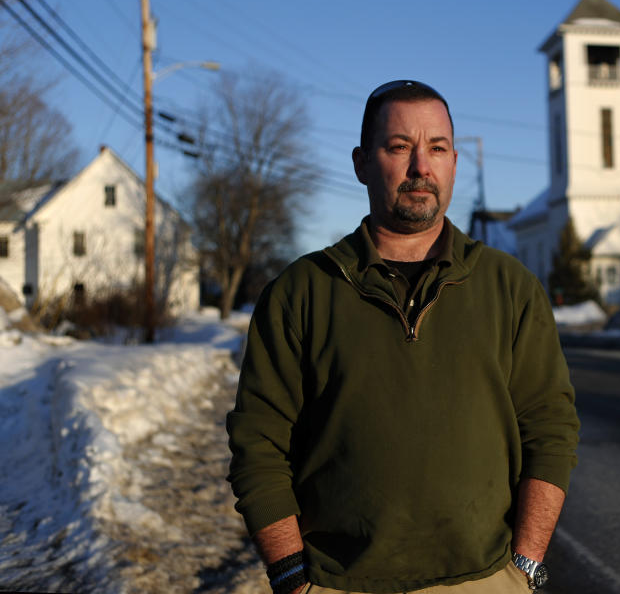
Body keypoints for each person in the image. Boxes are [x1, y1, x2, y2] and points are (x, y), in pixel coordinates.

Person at [227, 80, 579, 594]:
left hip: (486, 581)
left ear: (454, 161)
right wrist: (291, 575)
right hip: (339, 584)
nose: (421, 166)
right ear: (362, 163)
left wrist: (524, 568)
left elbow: (550, 429)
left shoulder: (509, 287)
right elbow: (257, 443)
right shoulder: (301, 291)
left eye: (437, 148)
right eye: (399, 147)